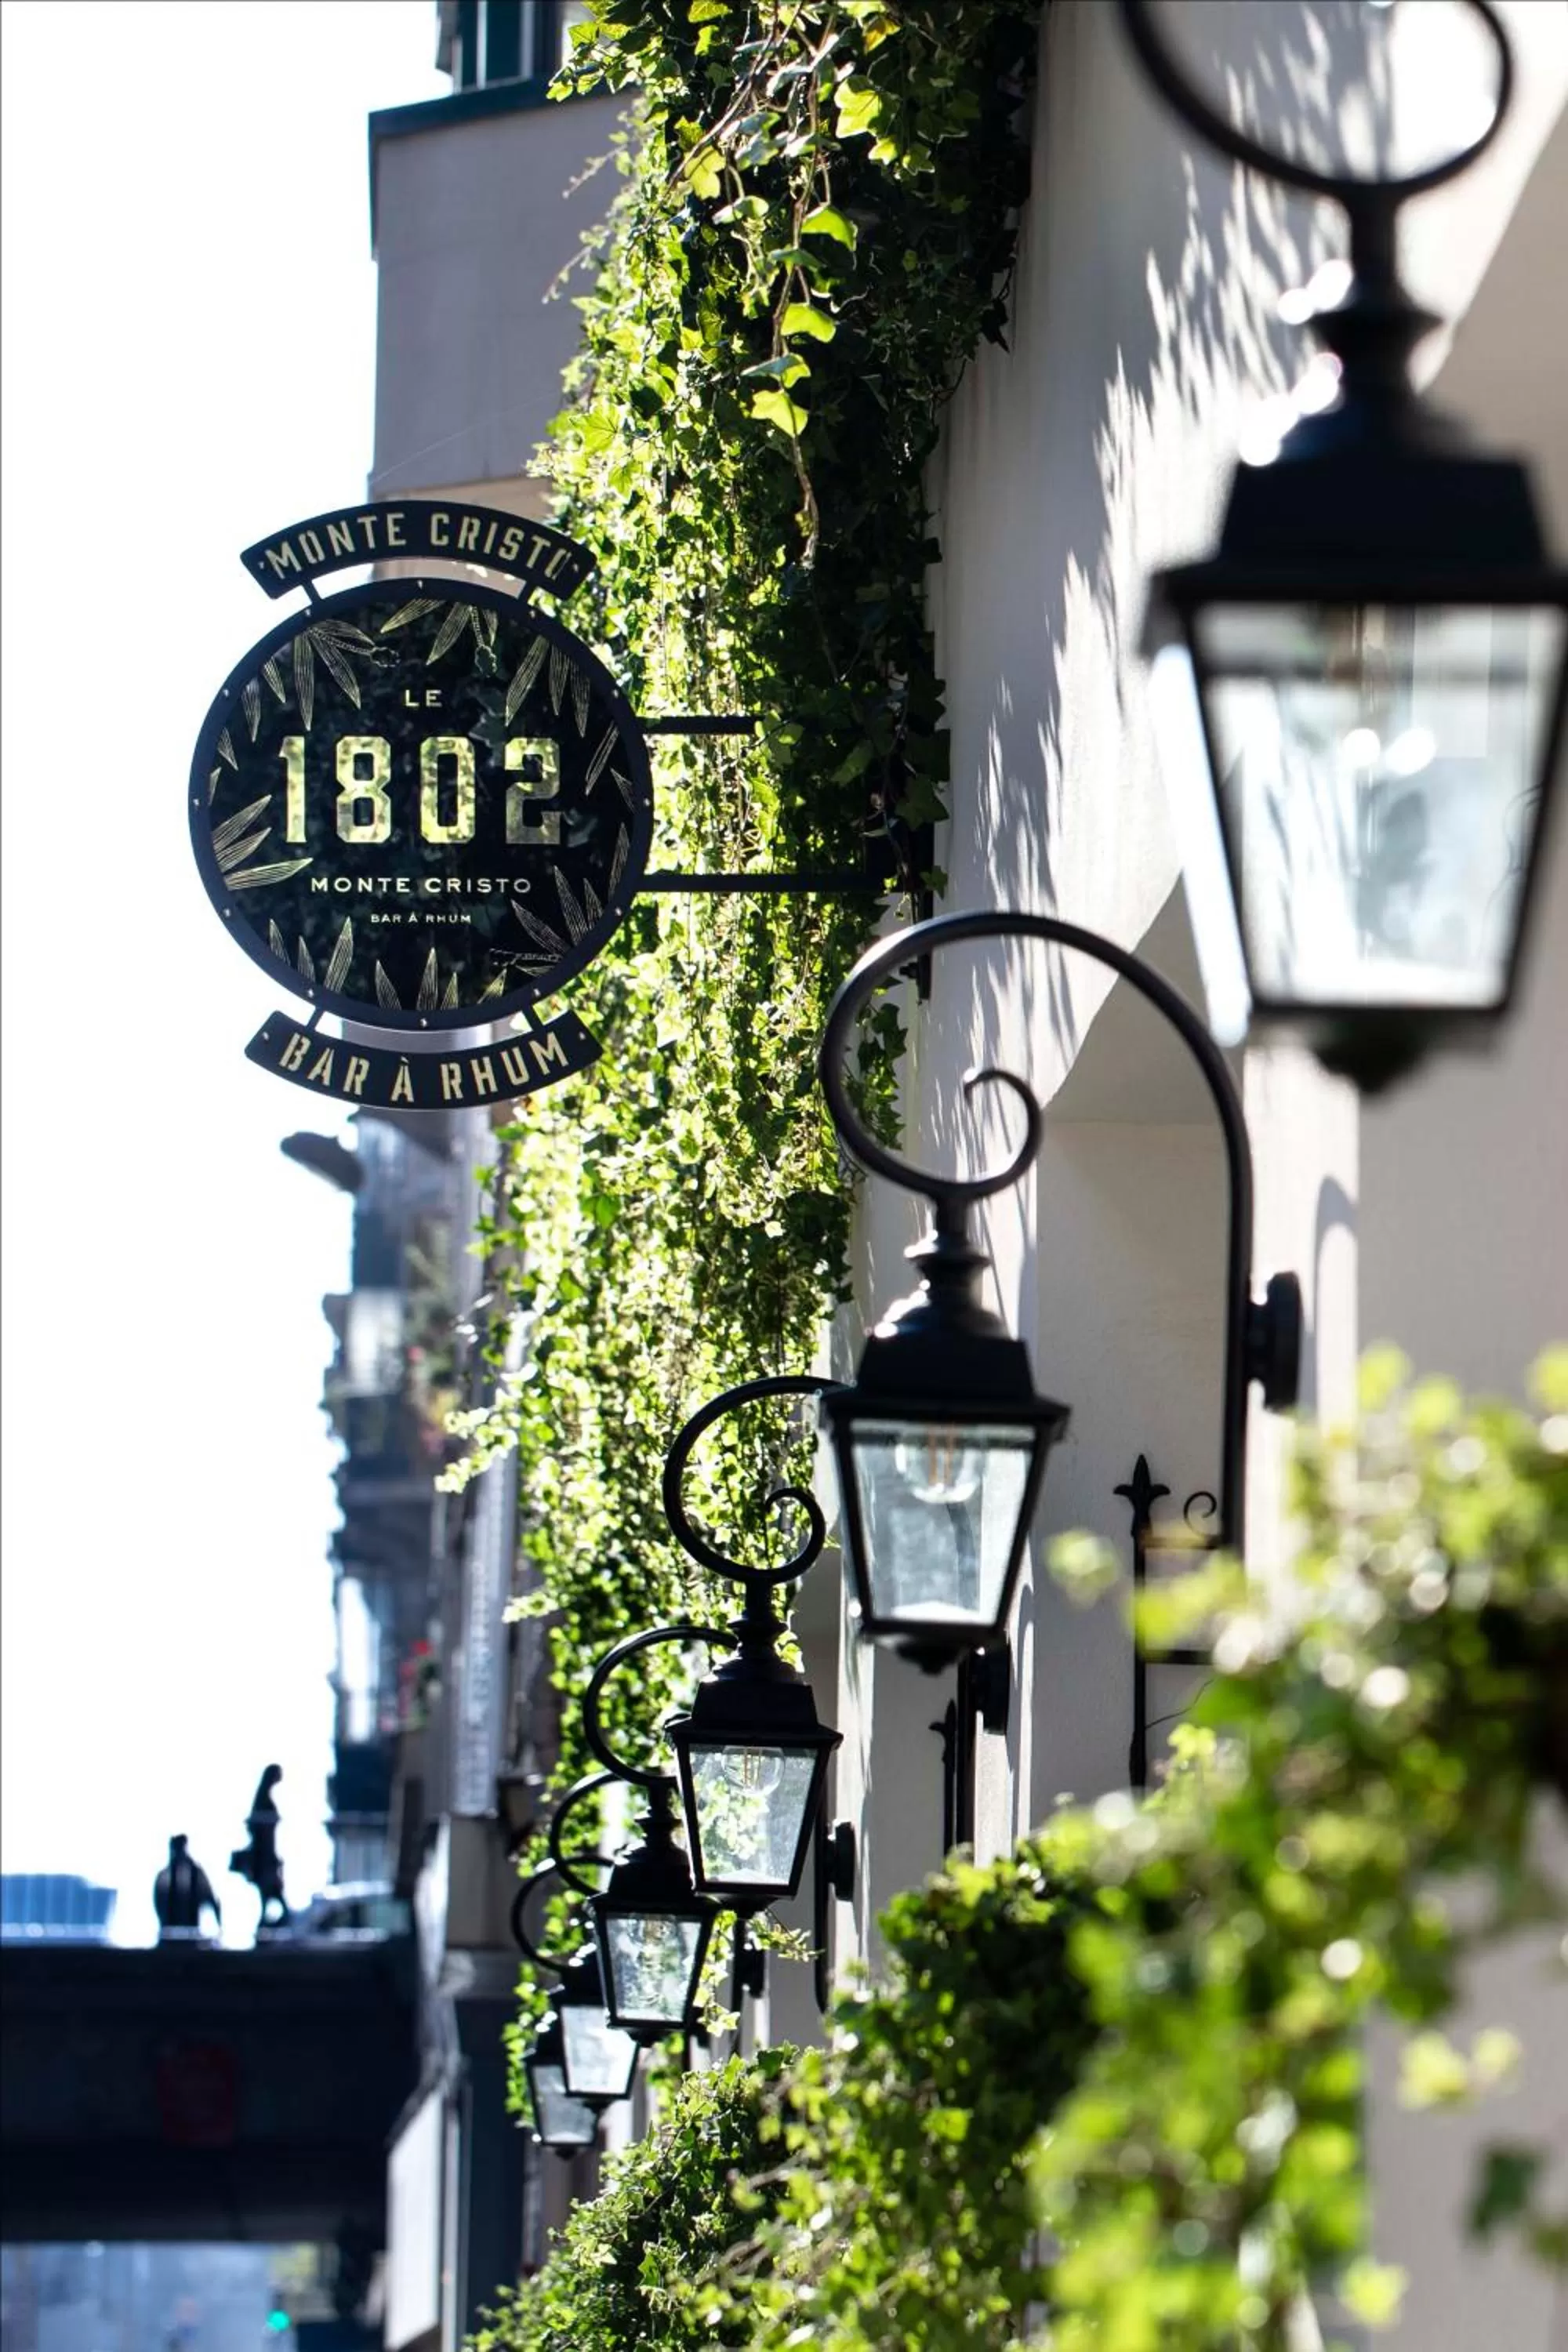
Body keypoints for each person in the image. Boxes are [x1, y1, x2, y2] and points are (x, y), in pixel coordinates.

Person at [229, 1764, 289, 1935]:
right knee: (273, 1899)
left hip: (266, 1859)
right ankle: (267, 1931)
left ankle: (267, 1930)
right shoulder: (264, 1802)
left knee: (271, 1900)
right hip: (265, 1860)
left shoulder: (263, 1799)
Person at [153, 1835, 221, 1940]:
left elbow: (211, 1899)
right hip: (168, 1935)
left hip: (192, 1935)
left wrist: (219, 1928)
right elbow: (158, 1904)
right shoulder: (165, 1876)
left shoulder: (197, 1874)